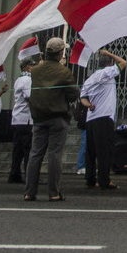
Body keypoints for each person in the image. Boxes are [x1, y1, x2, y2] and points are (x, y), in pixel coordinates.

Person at [24, 37, 79, 202]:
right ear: (60, 52)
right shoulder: (64, 72)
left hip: (39, 117)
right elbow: (73, 94)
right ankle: (54, 192)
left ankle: (29, 192)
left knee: (35, 154)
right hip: (58, 118)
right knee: (55, 155)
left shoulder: (36, 70)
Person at [79, 49, 127, 190]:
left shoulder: (90, 78)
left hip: (91, 119)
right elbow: (123, 62)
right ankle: (104, 180)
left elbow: (83, 98)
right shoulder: (107, 74)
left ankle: (90, 179)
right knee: (105, 151)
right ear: (109, 64)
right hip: (104, 117)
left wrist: (89, 105)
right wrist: (109, 53)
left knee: (91, 151)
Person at [8, 54, 36, 184]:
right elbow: (29, 96)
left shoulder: (19, 79)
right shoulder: (27, 80)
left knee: (18, 150)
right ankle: (30, 175)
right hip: (26, 119)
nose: (33, 67)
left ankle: (14, 174)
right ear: (26, 67)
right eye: (32, 65)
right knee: (28, 149)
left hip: (18, 118)